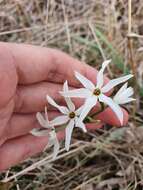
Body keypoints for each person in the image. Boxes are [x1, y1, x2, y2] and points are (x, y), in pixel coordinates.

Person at [0, 42, 128, 171]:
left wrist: (80, 119)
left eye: (97, 91)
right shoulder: (80, 108)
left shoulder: (94, 102)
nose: (97, 92)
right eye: (96, 91)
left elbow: (78, 114)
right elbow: (75, 108)